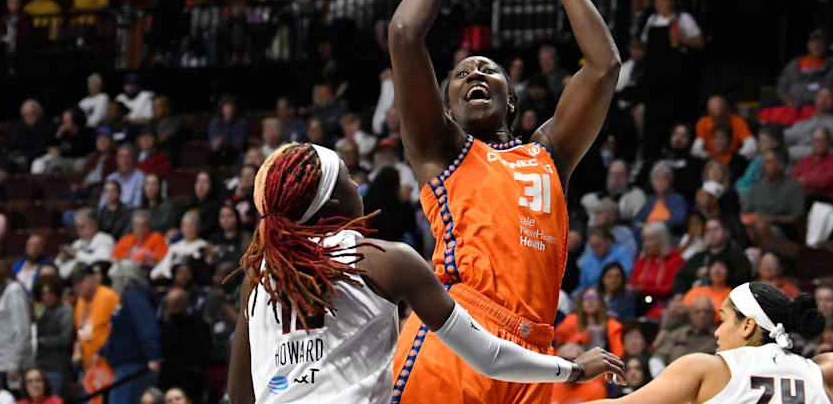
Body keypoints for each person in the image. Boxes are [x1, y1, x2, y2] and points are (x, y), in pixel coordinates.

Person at [384, 0, 622, 404]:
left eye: (487, 70)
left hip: (533, 350)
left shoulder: (549, 154)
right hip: (456, 329)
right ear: (446, 109)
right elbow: (404, 35)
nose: (474, 74)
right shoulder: (440, 150)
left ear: (510, 100)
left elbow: (604, 67)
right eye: (462, 73)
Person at [225, 142, 624, 404]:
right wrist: (573, 368)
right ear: (329, 199)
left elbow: (239, 394)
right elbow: (488, 357)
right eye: (347, 175)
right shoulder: (384, 260)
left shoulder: (258, 275)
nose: (358, 182)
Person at [584, 241, 833, 404]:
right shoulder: (822, 373)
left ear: (747, 326)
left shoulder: (705, 369)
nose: (716, 331)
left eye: (724, 318)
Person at [102, 261, 160, 404]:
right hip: (125, 365)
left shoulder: (133, 296)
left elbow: (146, 325)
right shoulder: (128, 297)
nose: (113, 285)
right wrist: (103, 350)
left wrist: (152, 356)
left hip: (133, 365)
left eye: (114, 280)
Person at [0, 259, 33, 393]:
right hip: (0, 363)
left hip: (14, 365)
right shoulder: (2, 293)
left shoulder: (14, 290)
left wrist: (14, 363)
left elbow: (22, 330)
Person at [740, 148, 804, 247]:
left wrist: (770, 219)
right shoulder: (757, 186)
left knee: (760, 226)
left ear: (781, 166)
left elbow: (797, 217)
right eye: (764, 162)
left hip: (782, 229)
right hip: (753, 226)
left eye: (769, 162)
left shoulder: (795, 186)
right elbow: (745, 211)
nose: (764, 166)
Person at [672, 217, 752, 295]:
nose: (712, 234)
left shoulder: (737, 256)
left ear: (725, 232)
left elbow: (743, 281)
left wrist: (714, 276)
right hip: (698, 298)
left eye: (716, 229)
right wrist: (679, 294)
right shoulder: (698, 257)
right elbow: (681, 277)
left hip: (727, 297)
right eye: (708, 231)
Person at [72, 263, 120, 374]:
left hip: (109, 363)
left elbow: (118, 329)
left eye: (81, 281)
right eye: (75, 283)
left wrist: (102, 352)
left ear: (93, 278)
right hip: (90, 368)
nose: (77, 286)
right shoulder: (80, 302)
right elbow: (79, 333)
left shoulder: (109, 296)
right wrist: (77, 352)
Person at [650, 296, 717, 371]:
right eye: (697, 311)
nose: (702, 315)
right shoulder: (677, 334)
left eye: (706, 311)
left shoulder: (719, 337)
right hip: (675, 378)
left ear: (713, 314)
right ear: (690, 314)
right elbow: (659, 355)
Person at [34, 275, 74, 397]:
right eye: (43, 294)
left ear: (56, 292)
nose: (46, 297)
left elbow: (66, 338)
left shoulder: (65, 310)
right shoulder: (42, 312)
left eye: (49, 293)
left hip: (58, 367)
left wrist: (40, 341)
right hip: (41, 366)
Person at [555, 287, 625, 356]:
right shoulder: (572, 320)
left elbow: (618, 353)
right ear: (581, 303)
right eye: (586, 297)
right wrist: (582, 336)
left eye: (594, 297)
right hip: (575, 361)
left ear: (601, 302)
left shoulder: (612, 324)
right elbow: (558, 343)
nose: (590, 301)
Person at [783, 88, 833, 161]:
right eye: (819, 97)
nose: (822, 100)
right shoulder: (804, 122)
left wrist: (802, 135)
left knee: (784, 154)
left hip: (826, 154)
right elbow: (786, 136)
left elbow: (822, 138)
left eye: (827, 97)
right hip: (799, 152)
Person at [776, 29, 833, 109]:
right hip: (795, 109)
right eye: (814, 42)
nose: (817, 45)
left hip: (820, 110)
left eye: (821, 42)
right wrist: (790, 105)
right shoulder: (795, 64)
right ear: (808, 45)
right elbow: (781, 88)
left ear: (826, 46)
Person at [789, 127, 833, 201]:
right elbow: (792, 181)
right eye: (815, 140)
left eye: (822, 140)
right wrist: (812, 180)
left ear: (828, 142)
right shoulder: (803, 161)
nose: (819, 143)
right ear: (812, 143)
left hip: (829, 201)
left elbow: (826, 182)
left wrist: (805, 180)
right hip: (805, 199)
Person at [629, 222, 684, 302]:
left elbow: (668, 288)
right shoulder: (643, 258)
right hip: (639, 298)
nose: (645, 244)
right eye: (644, 239)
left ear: (661, 240)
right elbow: (633, 281)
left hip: (661, 301)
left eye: (650, 240)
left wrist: (643, 289)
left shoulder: (675, 260)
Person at [692, 96, 757, 161]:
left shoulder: (737, 121)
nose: (718, 120)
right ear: (709, 111)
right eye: (715, 117)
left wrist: (734, 159)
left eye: (721, 116)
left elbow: (751, 146)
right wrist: (711, 158)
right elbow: (696, 150)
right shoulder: (703, 122)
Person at [150, 212, 207, 281]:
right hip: (168, 281)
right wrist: (159, 274)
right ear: (181, 228)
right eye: (185, 225)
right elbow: (163, 266)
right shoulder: (174, 247)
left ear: (198, 227)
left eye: (191, 224)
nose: (188, 228)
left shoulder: (202, 245)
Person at [578, 227, 636, 292]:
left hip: (616, 292)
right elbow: (583, 285)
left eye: (598, 246)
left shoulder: (622, 252)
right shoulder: (588, 259)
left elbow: (625, 276)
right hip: (593, 295)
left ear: (608, 242)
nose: (594, 250)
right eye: (592, 247)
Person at [102, 145, 145, 209]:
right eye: (121, 157)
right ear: (116, 159)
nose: (124, 160)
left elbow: (137, 204)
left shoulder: (140, 177)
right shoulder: (110, 178)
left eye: (128, 156)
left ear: (133, 159)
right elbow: (102, 204)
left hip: (130, 213)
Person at [209, 95, 247, 166]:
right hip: (218, 154)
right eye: (226, 107)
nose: (228, 110)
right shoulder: (215, 123)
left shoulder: (241, 123)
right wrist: (215, 145)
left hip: (235, 154)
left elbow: (238, 145)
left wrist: (223, 142)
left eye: (230, 107)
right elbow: (213, 145)